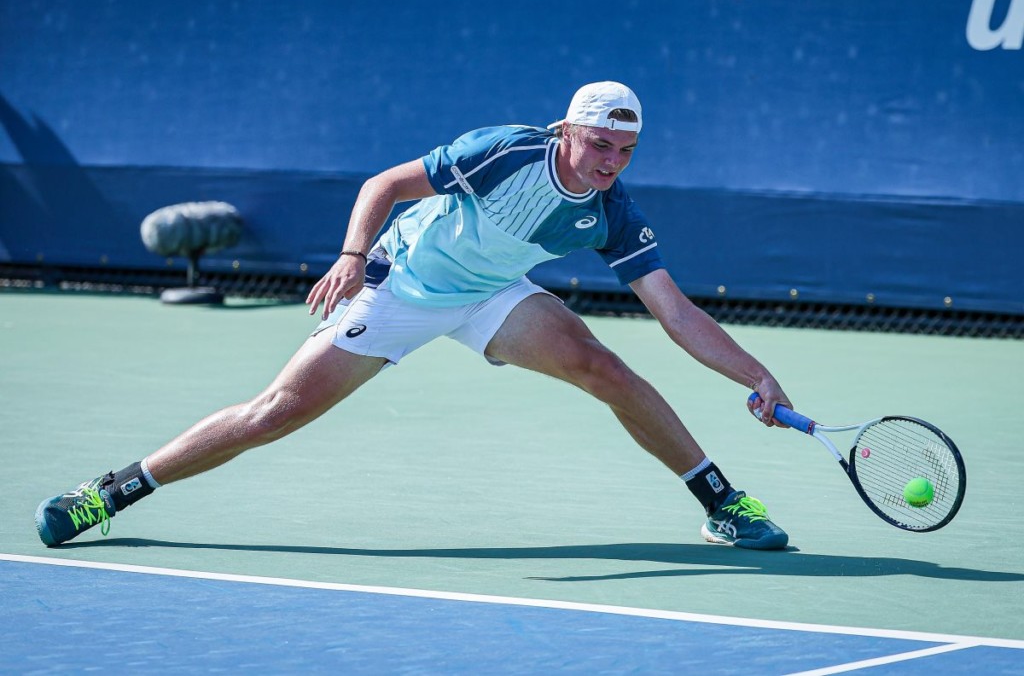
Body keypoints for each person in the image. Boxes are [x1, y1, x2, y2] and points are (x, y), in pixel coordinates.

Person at [35, 81, 794, 550]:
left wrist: (755, 374)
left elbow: (675, 311)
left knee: (607, 369)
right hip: (399, 286)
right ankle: (111, 491)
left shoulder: (612, 211)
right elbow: (385, 184)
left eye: (625, 151)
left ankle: (720, 503)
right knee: (276, 412)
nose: (610, 162)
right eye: (600, 143)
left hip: (491, 294)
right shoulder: (505, 152)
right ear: (567, 131)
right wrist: (349, 255)